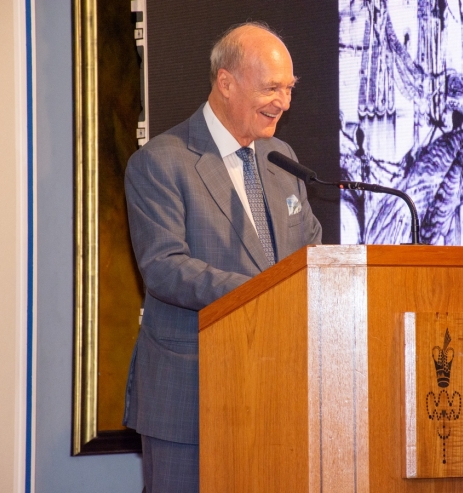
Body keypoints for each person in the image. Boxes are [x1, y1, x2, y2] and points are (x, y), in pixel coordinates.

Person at [123, 22, 322, 493]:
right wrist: (265, 293)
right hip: (190, 396)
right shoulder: (161, 162)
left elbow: (311, 251)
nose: (284, 102)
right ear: (226, 82)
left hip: (276, 389)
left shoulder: (281, 158)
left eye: (289, 89)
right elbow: (165, 267)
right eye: (271, 87)